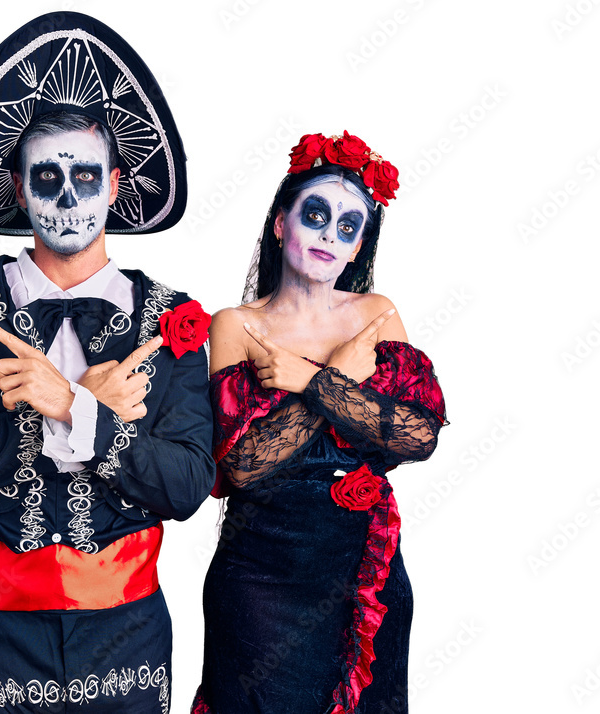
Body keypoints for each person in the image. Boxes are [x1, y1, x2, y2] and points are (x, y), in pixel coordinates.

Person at [0, 13, 214, 714]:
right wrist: (44, 426)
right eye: (47, 177)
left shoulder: (173, 320)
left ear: (113, 184)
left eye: (85, 176)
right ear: (19, 188)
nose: (68, 198)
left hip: (127, 633)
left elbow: (190, 485)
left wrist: (76, 409)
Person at [192, 132, 450, 714]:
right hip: (261, 582)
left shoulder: (376, 315)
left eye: (348, 226)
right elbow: (242, 467)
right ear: (282, 224)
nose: (329, 236)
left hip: (362, 574)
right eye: (315, 215)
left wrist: (310, 381)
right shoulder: (236, 325)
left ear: (359, 247)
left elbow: (418, 434)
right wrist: (333, 380)